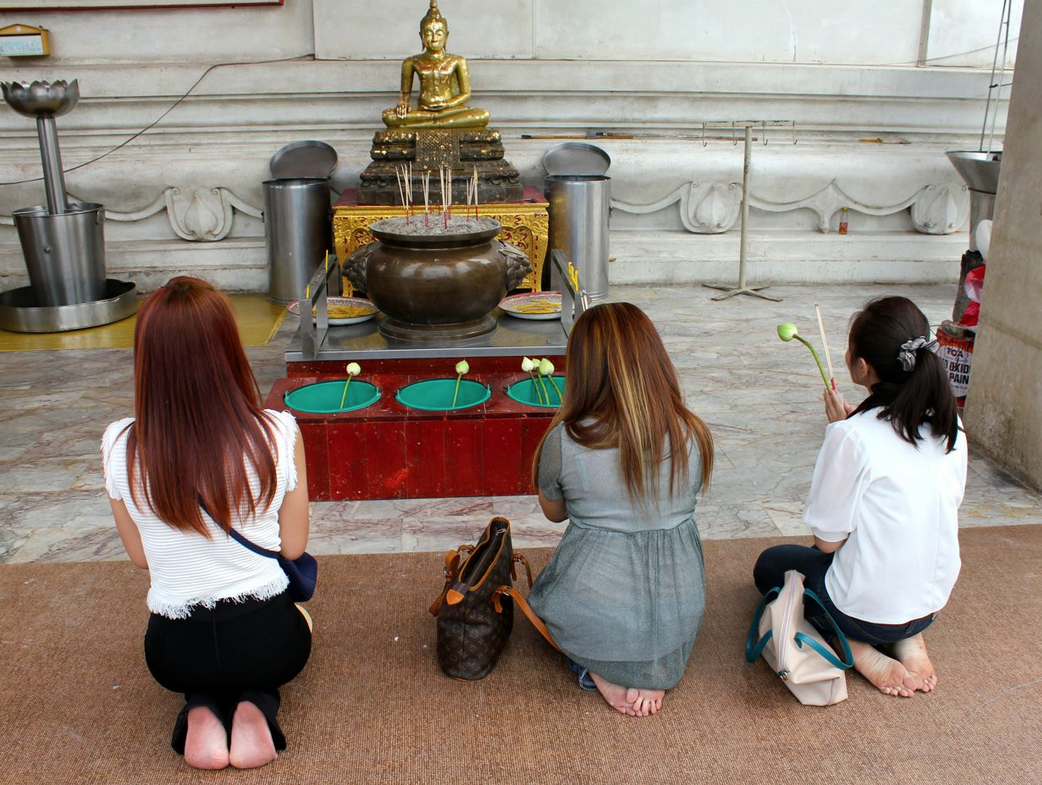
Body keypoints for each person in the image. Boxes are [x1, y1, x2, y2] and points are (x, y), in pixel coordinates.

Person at [101, 277, 312, 769]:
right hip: (269, 641)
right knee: (300, 620)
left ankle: (198, 706)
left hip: (172, 651)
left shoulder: (119, 445)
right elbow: (294, 547)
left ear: (146, 358)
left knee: (201, 662)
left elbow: (140, 557)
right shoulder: (277, 432)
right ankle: (256, 705)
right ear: (227, 349)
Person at [754, 296, 966, 698]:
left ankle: (857, 644)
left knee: (772, 565)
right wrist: (852, 426)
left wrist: (842, 434)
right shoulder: (949, 423)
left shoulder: (853, 437)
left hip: (863, 610)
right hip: (930, 601)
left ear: (862, 367)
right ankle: (910, 637)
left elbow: (827, 541)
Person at [527, 302, 714, 718]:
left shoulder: (564, 440)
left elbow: (554, 515)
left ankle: (595, 666)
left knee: (548, 601)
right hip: (678, 605)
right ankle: (651, 667)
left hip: (594, 606)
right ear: (655, 358)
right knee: (651, 621)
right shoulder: (692, 432)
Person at [381, 0, 490, 130]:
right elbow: (404, 96)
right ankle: (437, 123)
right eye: (428, 33)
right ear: (421, 36)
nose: (434, 38)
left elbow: (466, 93)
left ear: (446, 36)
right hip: (423, 111)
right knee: (388, 116)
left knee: (482, 115)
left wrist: (448, 104)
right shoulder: (411, 62)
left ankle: (429, 125)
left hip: (450, 110)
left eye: (439, 33)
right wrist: (403, 104)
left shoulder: (458, 61)